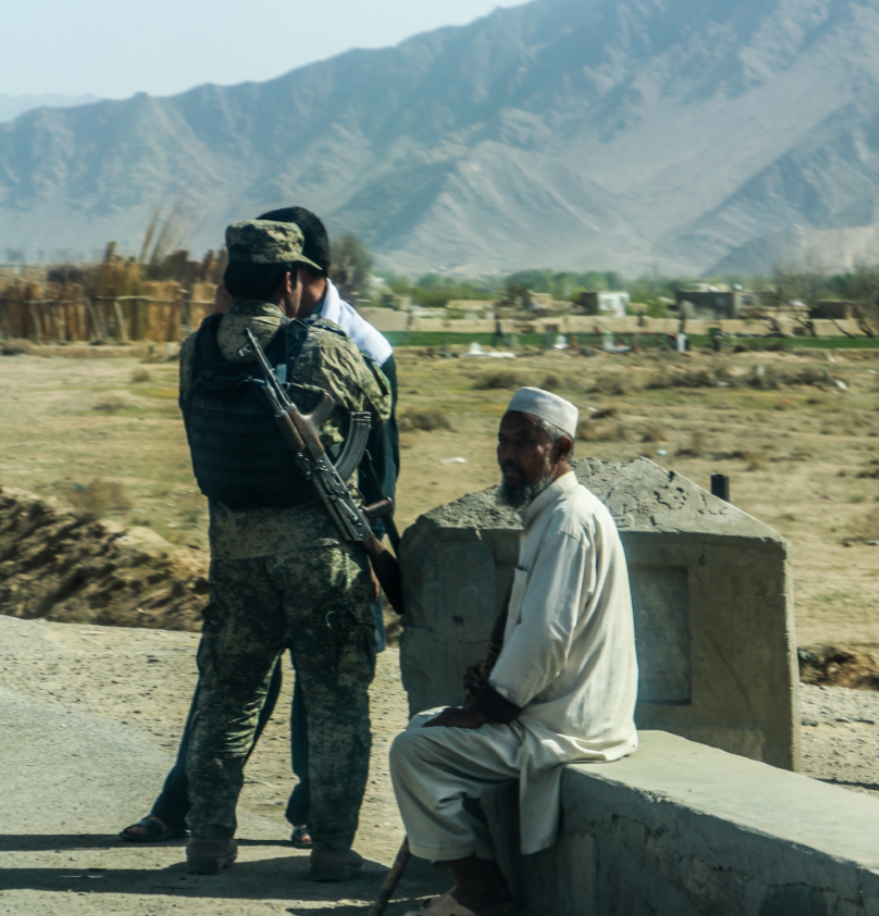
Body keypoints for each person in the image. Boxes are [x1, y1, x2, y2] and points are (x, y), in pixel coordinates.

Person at [121, 207, 399, 849]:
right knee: (336, 702)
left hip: (235, 558)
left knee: (227, 698)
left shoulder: (197, 349)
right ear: (289, 282)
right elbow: (376, 409)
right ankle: (330, 848)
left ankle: (208, 840)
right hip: (321, 562)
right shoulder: (329, 347)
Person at [388, 387, 638, 916]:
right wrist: (487, 682)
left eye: (525, 442)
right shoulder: (551, 512)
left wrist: (487, 709)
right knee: (425, 727)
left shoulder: (569, 520)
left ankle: (481, 892)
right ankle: (473, 884)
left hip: (566, 725)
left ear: (561, 448)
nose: (508, 454)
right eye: (503, 441)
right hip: (556, 710)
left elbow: (546, 636)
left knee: (414, 750)